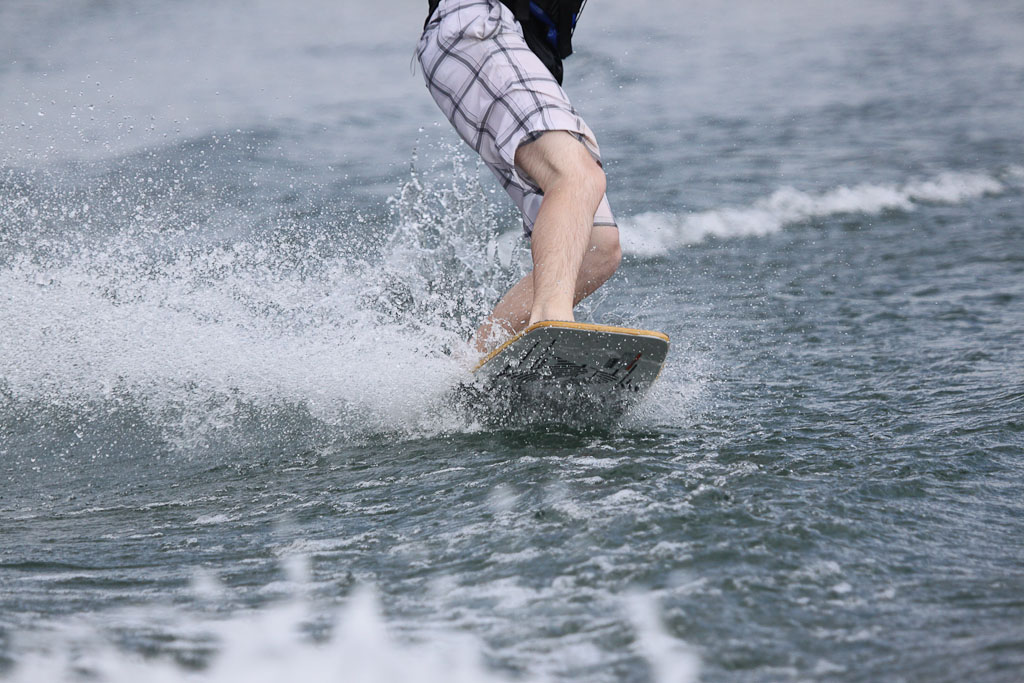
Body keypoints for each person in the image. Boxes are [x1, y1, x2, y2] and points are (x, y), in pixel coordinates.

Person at [417, 0, 621, 353]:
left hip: (515, 47)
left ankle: (471, 368)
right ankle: (551, 320)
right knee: (575, 175)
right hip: (479, 25)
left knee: (597, 247)